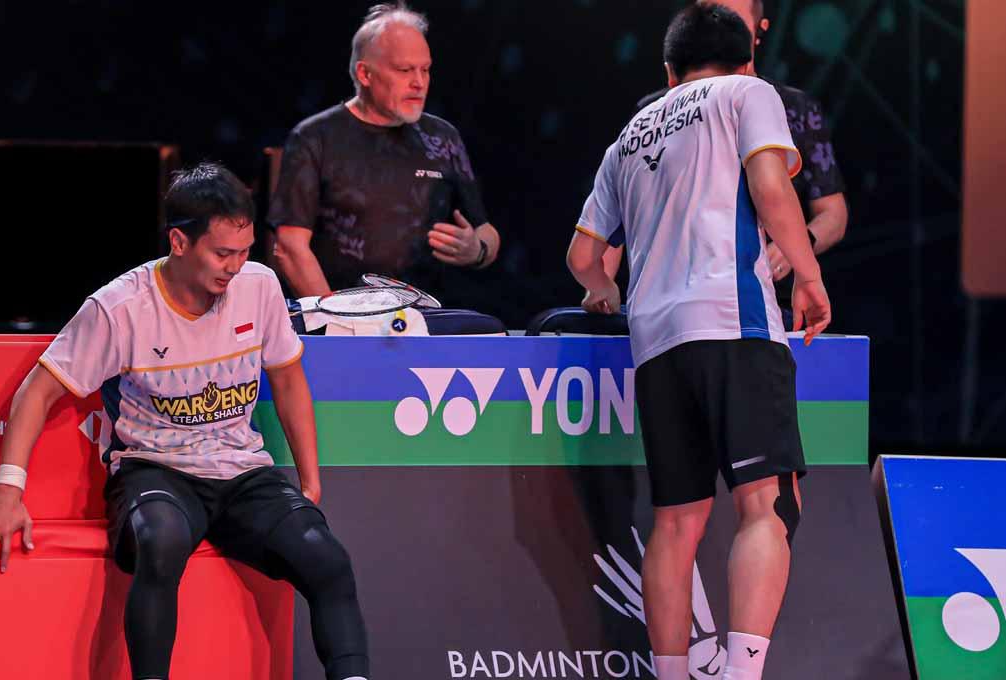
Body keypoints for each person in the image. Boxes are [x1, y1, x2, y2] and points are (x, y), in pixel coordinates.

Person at [0, 163, 371, 680]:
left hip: (242, 472)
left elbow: (287, 379)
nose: (235, 268)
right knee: (161, 539)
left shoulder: (259, 286)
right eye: (222, 254)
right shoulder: (120, 308)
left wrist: (309, 480)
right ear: (179, 241)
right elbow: (36, 393)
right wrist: (8, 491)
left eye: (244, 253)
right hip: (155, 470)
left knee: (326, 558)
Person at [566, 5, 831, 680]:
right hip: (734, 323)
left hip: (655, 343)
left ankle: (671, 673)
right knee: (766, 504)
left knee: (675, 523)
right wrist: (808, 272)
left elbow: (582, 254)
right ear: (747, 59)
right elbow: (772, 189)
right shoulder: (750, 93)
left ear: (668, 69)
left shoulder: (628, 135)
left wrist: (606, 293)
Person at [606, 0, 847, 326]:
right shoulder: (650, 113)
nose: (717, 29)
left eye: (731, 20)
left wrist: (794, 249)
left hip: (765, 307)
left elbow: (829, 211)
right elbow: (613, 219)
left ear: (757, 35)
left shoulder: (788, 105)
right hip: (673, 312)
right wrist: (604, 295)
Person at [269, 1, 501, 305]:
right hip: (342, 323)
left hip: (432, 323)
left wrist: (477, 250)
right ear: (365, 74)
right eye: (405, 70)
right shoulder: (316, 137)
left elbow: (487, 232)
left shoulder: (443, 137)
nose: (419, 82)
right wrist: (340, 322)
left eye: (425, 70)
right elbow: (290, 247)